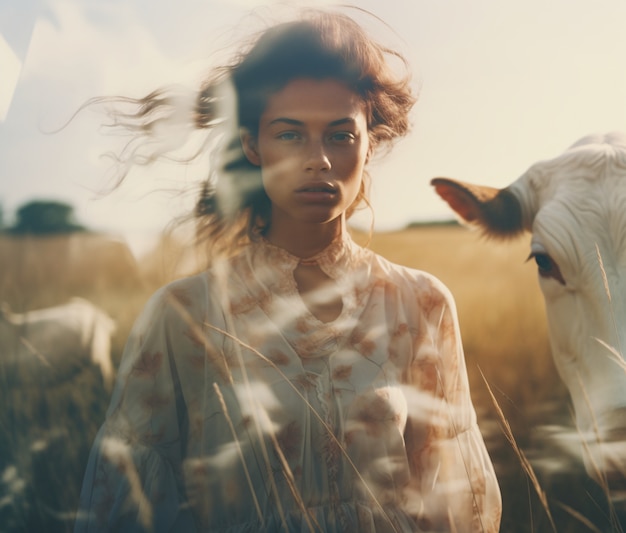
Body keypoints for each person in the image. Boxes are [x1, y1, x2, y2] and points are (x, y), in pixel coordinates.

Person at [74, 7, 501, 532]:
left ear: (371, 143)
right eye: (290, 134)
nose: (318, 159)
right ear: (253, 144)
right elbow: (126, 507)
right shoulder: (184, 315)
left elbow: (454, 504)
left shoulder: (420, 303)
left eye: (341, 136)